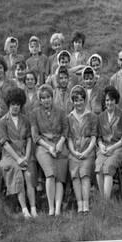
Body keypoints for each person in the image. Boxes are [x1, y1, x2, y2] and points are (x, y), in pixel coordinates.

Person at [31, 84, 69, 216]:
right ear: (40, 100)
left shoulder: (60, 111)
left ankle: (58, 208)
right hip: (44, 146)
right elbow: (35, 136)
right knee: (50, 174)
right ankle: (51, 207)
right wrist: (49, 147)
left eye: (48, 97)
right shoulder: (35, 113)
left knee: (59, 176)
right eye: (43, 98)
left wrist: (59, 144)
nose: (46, 100)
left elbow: (65, 129)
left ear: (52, 98)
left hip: (59, 144)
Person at [0, 88, 37, 219]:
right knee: (19, 173)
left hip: (24, 154)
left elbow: (29, 139)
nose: (15, 107)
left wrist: (26, 156)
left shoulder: (25, 120)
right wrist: (18, 159)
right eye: (13, 104)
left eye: (18, 104)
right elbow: (5, 144)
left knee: (29, 175)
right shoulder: (3, 121)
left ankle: (33, 208)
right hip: (10, 156)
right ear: (9, 104)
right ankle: (24, 209)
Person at [95, 86, 122, 199]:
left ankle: (106, 202)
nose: (109, 102)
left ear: (115, 100)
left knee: (108, 167)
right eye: (107, 100)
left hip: (119, 147)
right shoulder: (101, 117)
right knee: (98, 168)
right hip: (105, 147)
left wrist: (113, 148)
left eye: (111, 100)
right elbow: (98, 136)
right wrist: (101, 146)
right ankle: (103, 199)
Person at [67, 86, 97, 213]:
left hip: (88, 150)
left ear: (84, 100)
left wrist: (86, 152)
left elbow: (94, 137)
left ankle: (86, 204)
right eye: (75, 100)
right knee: (75, 176)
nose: (78, 103)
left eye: (80, 100)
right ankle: (79, 204)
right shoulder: (69, 117)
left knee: (84, 175)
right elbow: (68, 138)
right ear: (72, 101)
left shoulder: (92, 116)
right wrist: (74, 152)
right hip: (74, 151)